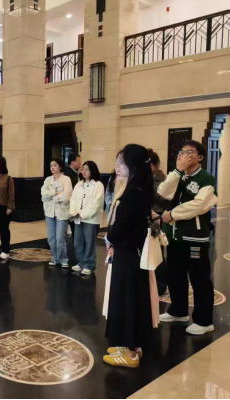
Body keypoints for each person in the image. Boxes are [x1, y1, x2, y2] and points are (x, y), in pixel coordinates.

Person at [158, 140, 218, 336]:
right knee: (175, 275)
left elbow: (200, 205)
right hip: (175, 236)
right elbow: (163, 193)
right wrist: (177, 171)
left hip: (195, 238)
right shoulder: (179, 176)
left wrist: (173, 214)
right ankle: (178, 311)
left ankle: (204, 321)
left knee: (199, 279)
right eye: (182, 152)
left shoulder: (206, 178)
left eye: (189, 152)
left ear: (200, 157)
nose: (184, 155)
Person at [103, 144, 154, 369]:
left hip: (127, 255)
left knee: (128, 300)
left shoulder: (132, 192)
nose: (117, 166)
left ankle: (131, 353)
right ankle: (130, 345)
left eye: (121, 162)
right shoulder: (140, 188)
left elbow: (121, 226)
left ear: (133, 165)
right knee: (130, 299)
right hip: (132, 253)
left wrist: (109, 238)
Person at [70, 161, 105, 275]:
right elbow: (73, 200)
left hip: (91, 219)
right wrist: (74, 212)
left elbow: (97, 203)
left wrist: (83, 214)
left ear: (92, 171)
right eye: (83, 169)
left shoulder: (98, 185)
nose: (84, 171)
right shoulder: (78, 184)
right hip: (78, 217)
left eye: (87, 169)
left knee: (89, 242)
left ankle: (89, 264)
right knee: (78, 242)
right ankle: (81, 262)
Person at [41, 159, 73, 269]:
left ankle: (63, 259)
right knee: (51, 238)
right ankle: (54, 257)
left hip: (62, 212)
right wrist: (55, 192)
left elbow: (67, 195)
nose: (52, 167)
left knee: (60, 238)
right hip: (49, 213)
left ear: (60, 167)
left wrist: (52, 198)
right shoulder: (48, 180)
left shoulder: (66, 179)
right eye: (51, 166)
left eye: (55, 165)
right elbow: (43, 194)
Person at [148, 149, 169, 296]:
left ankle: (160, 286)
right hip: (147, 216)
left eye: (149, 164)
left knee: (158, 253)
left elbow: (164, 200)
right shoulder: (145, 177)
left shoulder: (163, 179)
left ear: (155, 165)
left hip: (158, 216)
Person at [66, 154, 82, 236]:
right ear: (72, 162)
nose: (80, 163)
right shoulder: (68, 174)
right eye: (78, 161)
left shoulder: (75, 173)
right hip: (70, 205)